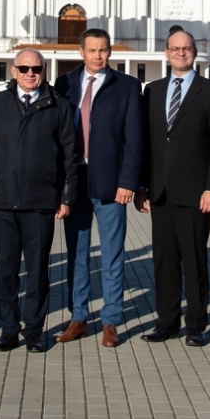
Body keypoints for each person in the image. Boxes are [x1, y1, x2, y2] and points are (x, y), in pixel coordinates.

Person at [0, 48, 78, 353]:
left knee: (37, 271)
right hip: (4, 201)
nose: (30, 73)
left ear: (44, 70)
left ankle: (34, 330)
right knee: (6, 271)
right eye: (24, 68)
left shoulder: (58, 105)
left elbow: (69, 155)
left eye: (36, 68)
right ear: (13, 70)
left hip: (41, 201)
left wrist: (66, 196)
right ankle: (9, 329)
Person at [137, 29, 210, 346]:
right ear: (166, 53)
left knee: (193, 260)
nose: (181, 53)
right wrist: (141, 187)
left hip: (195, 193)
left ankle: (196, 325)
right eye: (175, 49)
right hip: (159, 191)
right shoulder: (152, 91)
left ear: (195, 52)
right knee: (163, 261)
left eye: (187, 48)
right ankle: (166, 322)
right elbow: (146, 144)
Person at [53, 28, 142, 347]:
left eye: (103, 50)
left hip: (110, 184)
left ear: (110, 52)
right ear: (81, 51)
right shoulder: (64, 84)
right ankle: (78, 317)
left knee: (112, 253)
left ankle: (111, 320)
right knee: (76, 254)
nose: (98, 56)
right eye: (92, 50)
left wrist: (128, 182)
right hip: (74, 183)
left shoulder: (128, 86)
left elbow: (134, 139)